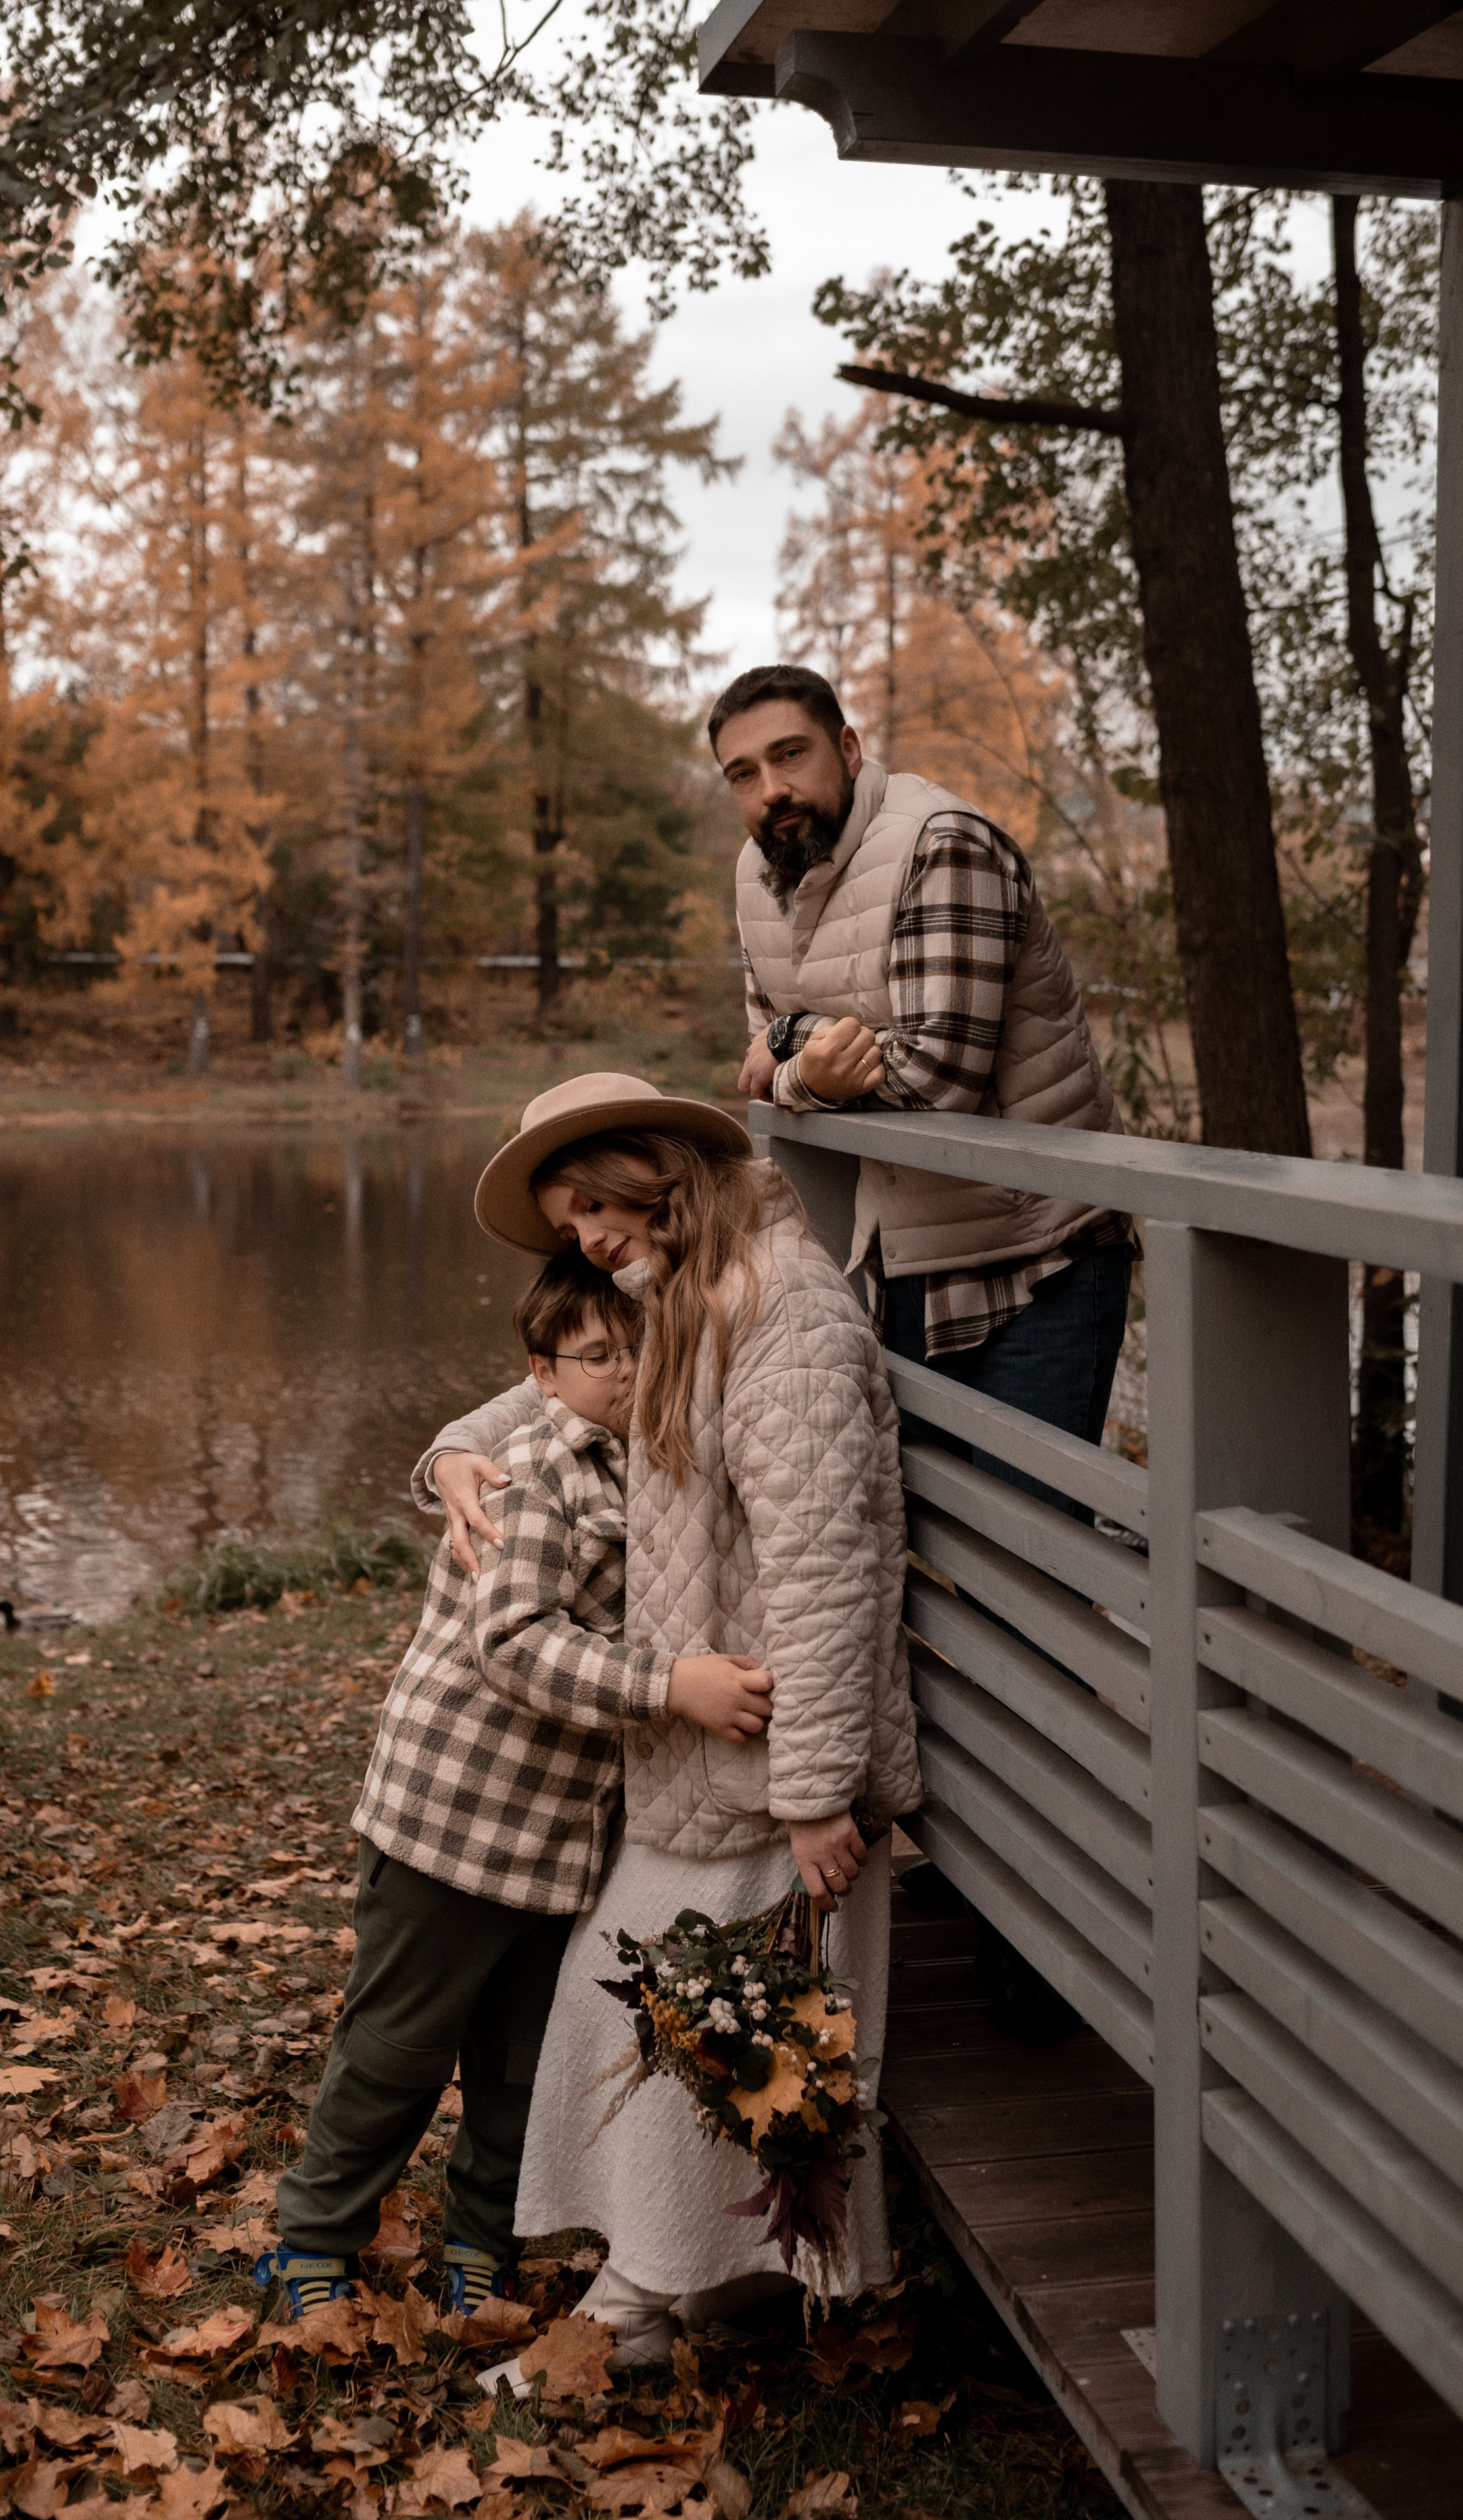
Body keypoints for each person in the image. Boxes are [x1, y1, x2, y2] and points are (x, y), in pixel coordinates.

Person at [419, 1071, 919, 2366]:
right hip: (713, 1754)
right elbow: (568, 1385)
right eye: (564, 1218)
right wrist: (454, 1451)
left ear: (659, 1169)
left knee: (677, 2009)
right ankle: (706, 2282)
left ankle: (644, 2303)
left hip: (774, 1758)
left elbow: (823, 1565)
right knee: (662, 2012)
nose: (585, 1235)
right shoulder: (691, 1295)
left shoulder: (783, 1317)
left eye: (596, 1199)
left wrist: (814, 1787)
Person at [260, 1242, 774, 2322]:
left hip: (558, 1837)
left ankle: (482, 2242)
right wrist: (670, 1685)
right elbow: (513, 1644)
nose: (626, 1375)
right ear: (542, 1375)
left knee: (519, 2068)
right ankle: (313, 2238)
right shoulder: (541, 1472)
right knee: (398, 2045)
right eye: (597, 1360)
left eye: (639, 1352)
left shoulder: (657, 1464)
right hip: (452, 1816)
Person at [711, 660, 1133, 1510]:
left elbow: (939, 1079)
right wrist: (801, 1063)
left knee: (1032, 1559)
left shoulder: (943, 843)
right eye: (744, 774)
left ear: (850, 747)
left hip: (1039, 1258)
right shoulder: (759, 876)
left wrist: (796, 1045)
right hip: (901, 1254)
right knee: (917, 1551)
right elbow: (762, 1067)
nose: (772, 789)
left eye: (791, 755)